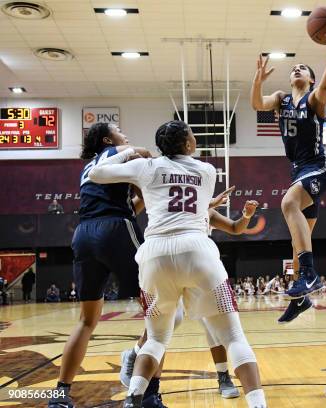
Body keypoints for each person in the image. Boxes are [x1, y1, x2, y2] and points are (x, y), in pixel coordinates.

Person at [88, 120, 267, 408]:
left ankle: (133, 398)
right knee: (233, 336)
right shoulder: (207, 171)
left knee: (156, 339)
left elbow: (96, 173)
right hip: (196, 250)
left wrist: (129, 152)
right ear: (187, 144)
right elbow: (197, 204)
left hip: (155, 254)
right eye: (193, 136)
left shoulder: (148, 167)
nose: (195, 139)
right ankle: (258, 403)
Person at [47, 123, 152, 408]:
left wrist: (138, 195)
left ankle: (60, 395)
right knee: (157, 311)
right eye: (119, 130)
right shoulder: (114, 151)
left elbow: (129, 204)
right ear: (107, 139)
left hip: (84, 234)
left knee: (86, 320)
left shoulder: (89, 169)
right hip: (115, 229)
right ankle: (147, 388)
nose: (125, 133)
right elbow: (143, 152)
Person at [250, 22, 326, 323]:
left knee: (288, 204)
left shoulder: (314, 99)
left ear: (311, 79)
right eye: (295, 67)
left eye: (304, 68)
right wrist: (257, 79)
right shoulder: (281, 99)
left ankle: (309, 274)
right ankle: (301, 298)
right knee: (297, 240)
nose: (297, 69)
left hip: (319, 167)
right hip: (299, 172)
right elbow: (256, 103)